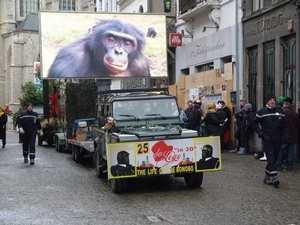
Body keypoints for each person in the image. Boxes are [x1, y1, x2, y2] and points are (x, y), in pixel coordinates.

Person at [253, 93, 288, 188]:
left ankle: (267, 175)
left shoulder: (280, 111)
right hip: (267, 138)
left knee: (275, 157)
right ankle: (275, 177)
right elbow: (255, 123)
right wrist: (260, 133)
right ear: (267, 101)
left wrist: (285, 134)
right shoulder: (262, 112)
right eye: (270, 100)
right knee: (271, 156)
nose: (272, 101)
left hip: (278, 138)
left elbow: (285, 124)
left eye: (273, 100)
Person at [276, 97, 299, 171]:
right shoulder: (295, 113)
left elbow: (279, 124)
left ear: (285, 104)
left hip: (284, 134)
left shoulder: (283, 112)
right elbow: (297, 125)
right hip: (293, 134)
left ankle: (279, 165)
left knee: (281, 150)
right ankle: (289, 166)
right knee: (290, 150)